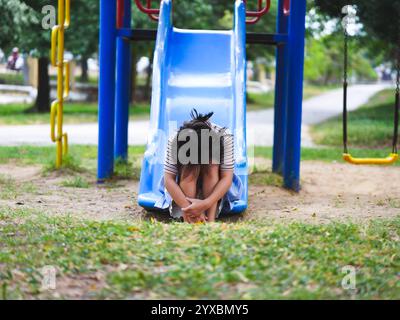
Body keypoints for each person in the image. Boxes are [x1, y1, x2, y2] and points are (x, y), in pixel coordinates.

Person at [163, 109, 235, 223]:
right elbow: (168, 180)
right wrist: (191, 210)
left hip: (215, 188)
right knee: (190, 170)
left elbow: (227, 177)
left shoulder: (224, 136)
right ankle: (191, 219)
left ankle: (210, 220)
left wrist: (206, 203)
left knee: (212, 167)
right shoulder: (176, 139)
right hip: (183, 189)